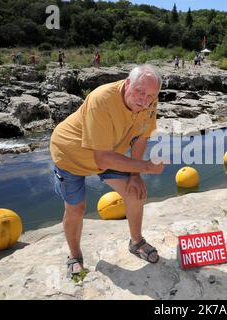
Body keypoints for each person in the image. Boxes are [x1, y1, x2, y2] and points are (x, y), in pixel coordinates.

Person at [49, 64, 165, 279]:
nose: (144, 99)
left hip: (111, 150)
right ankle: (75, 256)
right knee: (76, 207)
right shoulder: (102, 99)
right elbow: (101, 158)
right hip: (71, 153)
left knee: (136, 193)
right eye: (139, 91)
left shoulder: (150, 100)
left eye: (150, 95)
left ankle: (136, 241)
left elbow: (141, 137)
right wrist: (147, 166)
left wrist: (135, 175)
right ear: (127, 83)